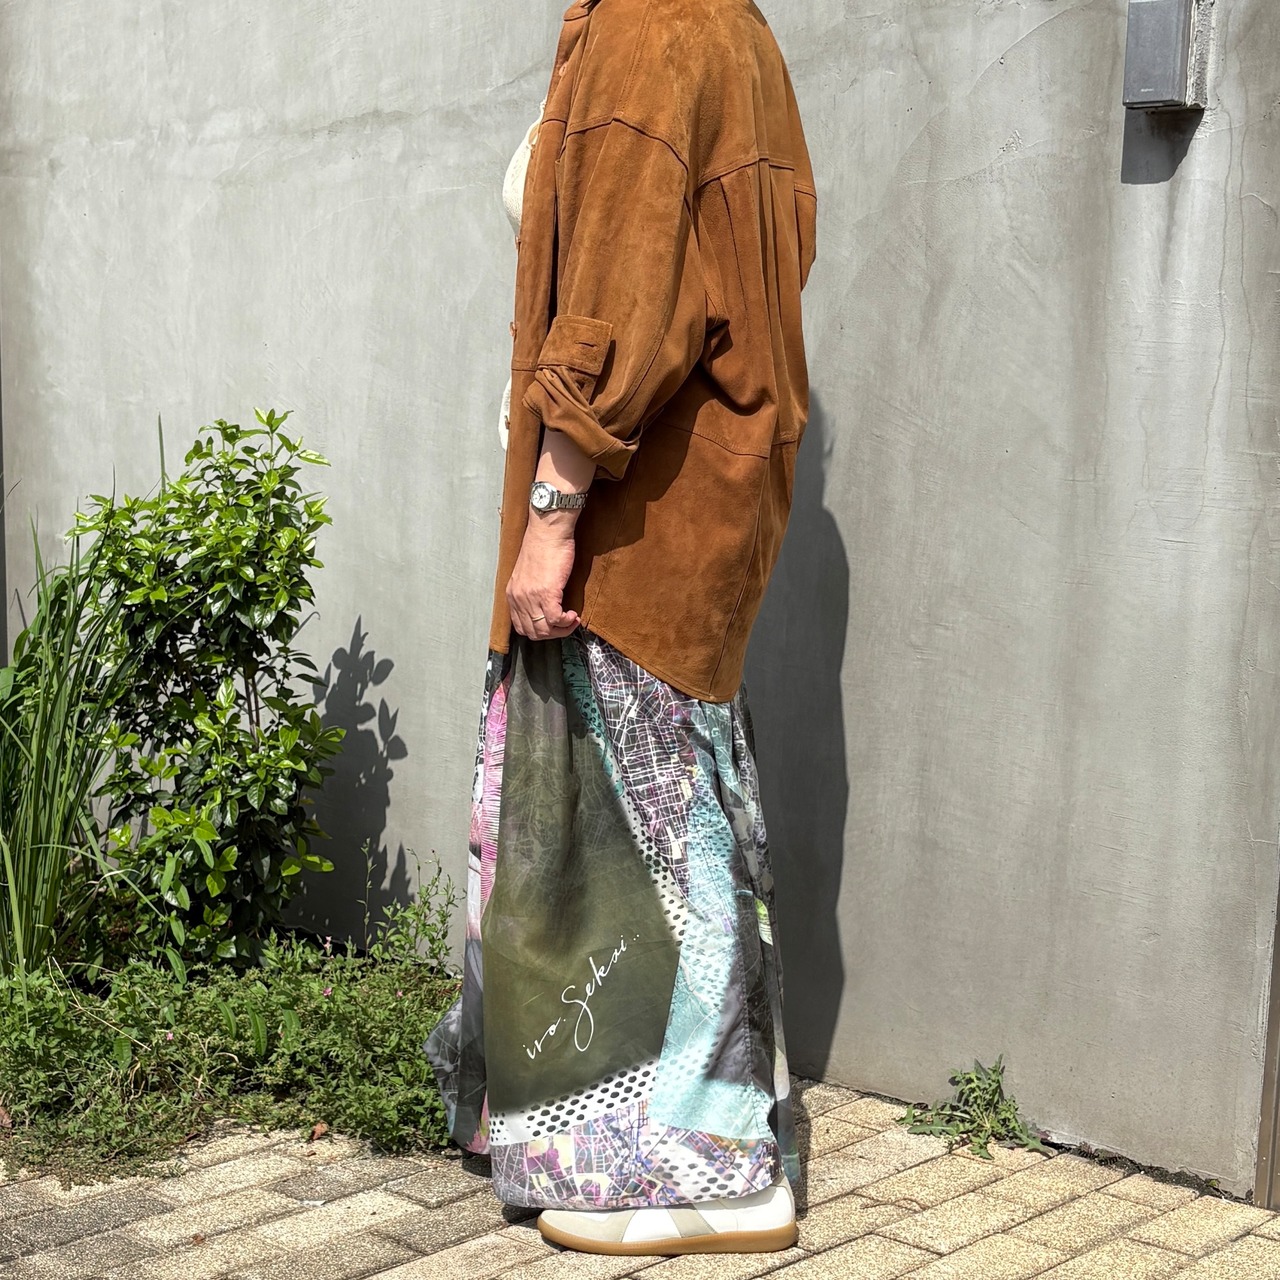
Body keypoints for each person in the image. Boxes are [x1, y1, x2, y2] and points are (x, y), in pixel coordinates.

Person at [426, 0, 816, 1256]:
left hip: (636, 518)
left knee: (652, 844)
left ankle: (714, 1174)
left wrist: (553, 512)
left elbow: (620, 303)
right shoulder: (727, 26)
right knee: (655, 826)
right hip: (686, 505)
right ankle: (633, 1132)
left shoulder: (652, 25)